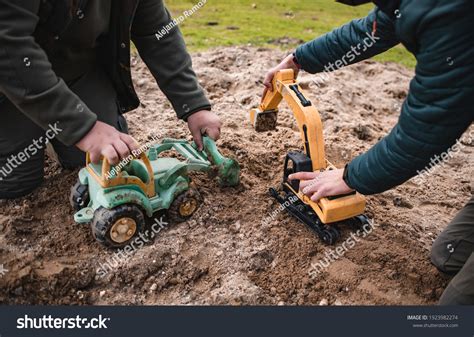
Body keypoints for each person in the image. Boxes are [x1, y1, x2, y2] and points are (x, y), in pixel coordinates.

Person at [263, 0, 473, 304]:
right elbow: (372, 29)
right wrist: (299, 59)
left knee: (454, 308)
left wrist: (350, 177)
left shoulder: (449, 17)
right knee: (446, 257)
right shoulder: (410, 4)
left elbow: (423, 135)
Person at [0, 0, 221, 198]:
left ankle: (55, 127)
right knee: (16, 182)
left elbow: (157, 31)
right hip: (9, 85)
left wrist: (193, 104)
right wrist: (83, 128)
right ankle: (45, 125)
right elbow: (9, 48)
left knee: (108, 165)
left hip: (77, 71)